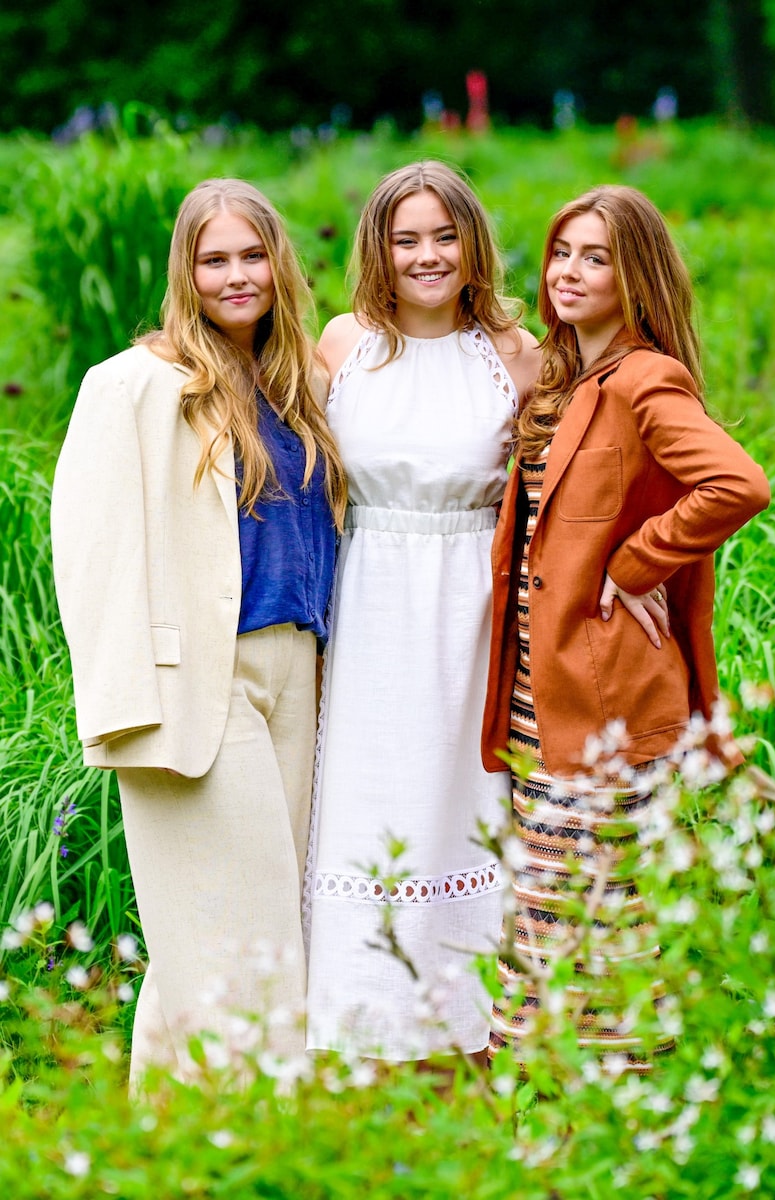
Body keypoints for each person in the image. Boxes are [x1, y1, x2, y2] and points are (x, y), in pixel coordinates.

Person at [51, 178, 347, 1086]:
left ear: (279, 263)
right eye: (215, 259)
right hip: (198, 687)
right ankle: (257, 1150)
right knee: (247, 949)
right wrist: (123, 711)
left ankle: (161, 1149)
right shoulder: (134, 385)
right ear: (187, 271)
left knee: (222, 938)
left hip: (299, 671)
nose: (237, 275)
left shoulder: (302, 382)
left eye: (253, 255)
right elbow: (90, 552)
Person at [481, 184, 771, 1069]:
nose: (569, 272)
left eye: (596, 257)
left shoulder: (647, 378)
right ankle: (568, 1105)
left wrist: (635, 561)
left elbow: (738, 484)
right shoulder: (564, 378)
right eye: (562, 252)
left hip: (605, 688)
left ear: (634, 274)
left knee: (589, 910)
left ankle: (607, 1098)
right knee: (556, 905)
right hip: (543, 687)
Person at [303, 161, 541, 1062]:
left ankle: (468, 1023)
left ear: (473, 244)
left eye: (445, 236)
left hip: (473, 605)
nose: (428, 254)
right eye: (408, 239)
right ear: (380, 248)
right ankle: (357, 1021)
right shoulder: (343, 344)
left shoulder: (516, 355)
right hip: (369, 598)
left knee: (464, 799)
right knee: (367, 798)